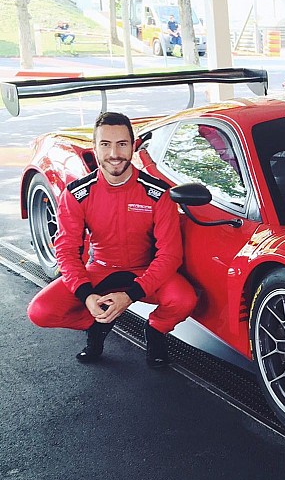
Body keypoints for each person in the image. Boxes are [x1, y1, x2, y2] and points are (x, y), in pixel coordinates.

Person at [27, 112, 197, 368]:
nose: (114, 153)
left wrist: (130, 296)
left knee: (185, 299)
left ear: (133, 146)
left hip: (145, 271)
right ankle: (98, 322)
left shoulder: (157, 193)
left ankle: (156, 330)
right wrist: (87, 297)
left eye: (122, 144)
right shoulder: (77, 195)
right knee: (40, 311)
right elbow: (66, 252)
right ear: (94, 148)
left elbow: (170, 254)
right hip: (101, 270)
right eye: (105, 144)